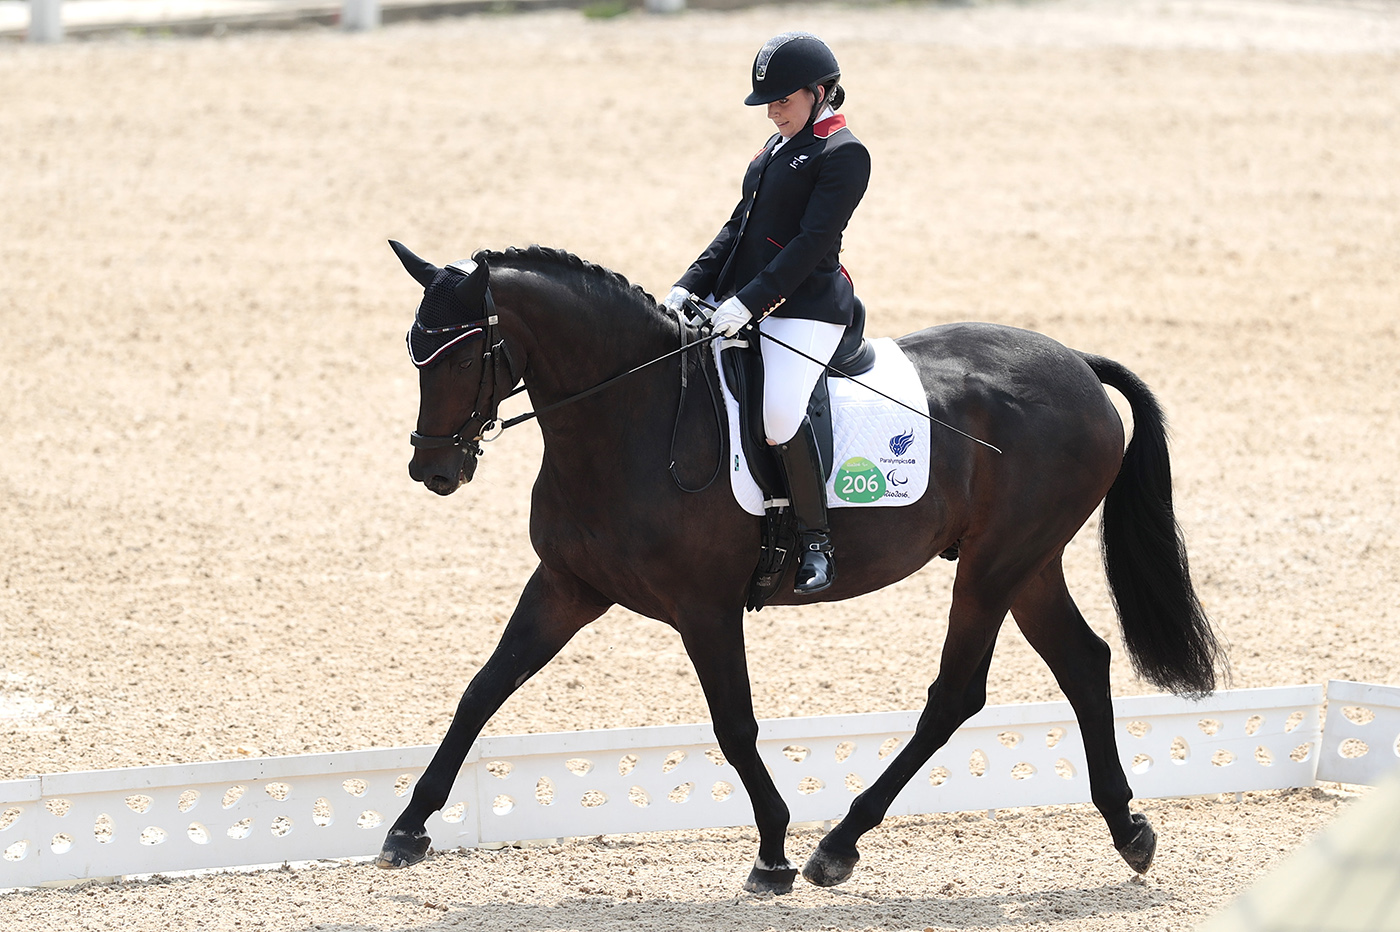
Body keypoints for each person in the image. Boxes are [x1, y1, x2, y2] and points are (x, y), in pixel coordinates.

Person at [663, 31, 871, 596]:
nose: (775, 111)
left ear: (820, 92)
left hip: (805, 309)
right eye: (769, 102)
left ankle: (815, 538)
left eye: (784, 99)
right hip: (741, 299)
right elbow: (737, 229)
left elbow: (810, 245)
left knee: (778, 416)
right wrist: (689, 286)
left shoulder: (843, 153)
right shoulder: (770, 151)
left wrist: (748, 303)